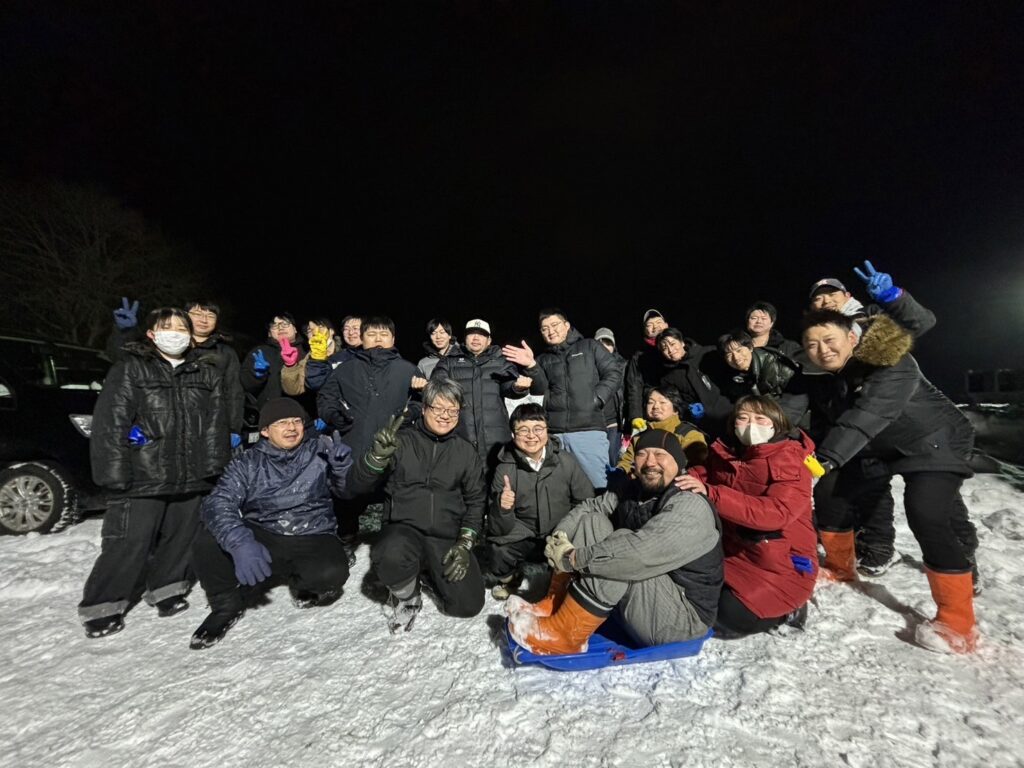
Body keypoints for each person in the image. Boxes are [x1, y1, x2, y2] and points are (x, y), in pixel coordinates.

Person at [801, 309, 979, 653]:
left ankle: (958, 622)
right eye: (812, 344)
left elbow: (866, 415)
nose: (822, 350)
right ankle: (839, 568)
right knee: (830, 491)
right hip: (878, 446)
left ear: (851, 338)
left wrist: (822, 461)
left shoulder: (892, 362)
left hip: (933, 440)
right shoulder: (828, 377)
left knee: (926, 511)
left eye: (829, 340)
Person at [79, 307, 230, 638]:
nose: (174, 333)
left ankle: (167, 587)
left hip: (192, 472)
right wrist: (114, 472)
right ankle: (103, 604)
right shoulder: (131, 368)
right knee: (129, 541)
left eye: (181, 328)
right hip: (143, 470)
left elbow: (216, 425)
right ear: (151, 334)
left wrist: (214, 468)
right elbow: (111, 422)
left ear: (191, 337)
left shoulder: (206, 372)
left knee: (182, 537)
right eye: (167, 327)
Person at [506, 428, 723, 656]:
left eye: (660, 454)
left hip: (681, 621)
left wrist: (572, 558)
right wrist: (560, 536)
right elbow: (591, 507)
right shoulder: (635, 490)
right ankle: (556, 604)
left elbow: (636, 554)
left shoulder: (690, 505)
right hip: (644, 600)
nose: (650, 462)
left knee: (619, 548)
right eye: (642, 454)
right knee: (593, 522)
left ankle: (567, 635)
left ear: (678, 463)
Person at [189, 398, 353, 649]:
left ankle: (303, 583)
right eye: (282, 422)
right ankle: (225, 605)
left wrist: (342, 471)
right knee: (208, 540)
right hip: (264, 533)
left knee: (331, 573)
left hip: (312, 531)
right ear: (265, 431)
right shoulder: (248, 462)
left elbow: (346, 493)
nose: (292, 428)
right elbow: (218, 502)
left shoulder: (320, 449)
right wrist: (240, 542)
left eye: (296, 421)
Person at [349, 378, 487, 631]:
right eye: (438, 408)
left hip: (444, 537)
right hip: (404, 533)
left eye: (452, 410)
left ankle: (427, 573)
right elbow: (356, 486)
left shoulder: (466, 452)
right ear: (423, 409)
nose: (445, 416)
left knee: (468, 605)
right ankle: (407, 594)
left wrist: (465, 543)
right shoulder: (399, 442)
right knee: (391, 554)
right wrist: (375, 459)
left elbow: (476, 502)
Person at [676, 396, 817, 637]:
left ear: (776, 423)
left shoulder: (790, 460)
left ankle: (789, 612)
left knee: (729, 615)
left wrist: (713, 493)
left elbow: (777, 512)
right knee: (693, 595)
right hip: (733, 551)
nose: (751, 426)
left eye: (760, 419)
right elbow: (704, 473)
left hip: (780, 563)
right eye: (743, 418)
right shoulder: (727, 452)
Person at [315, 315, 424, 561]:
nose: (378, 339)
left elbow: (421, 403)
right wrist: (335, 416)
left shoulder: (407, 369)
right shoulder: (346, 369)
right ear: (362, 338)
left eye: (384, 334)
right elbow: (326, 399)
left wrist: (410, 414)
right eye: (371, 334)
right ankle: (346, 538)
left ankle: (395, 545)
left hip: (394, 446)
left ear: (393, 339)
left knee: (396, 496)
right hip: (354, 443)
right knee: (347, 496)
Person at [501, 308, 623, 489]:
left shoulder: (589, 346)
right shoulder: (543, 359)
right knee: (560, 488)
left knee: (597, 485)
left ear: (567, 325)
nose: (551, 331)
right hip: (554, 434)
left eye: (555, 325)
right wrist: (532, 366)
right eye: (545, 329)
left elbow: (613, 372)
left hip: (588, 430)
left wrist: (597, 398)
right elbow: (539, 391)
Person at [487, 403, 594, 600]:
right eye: (523, 430)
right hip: (524, 534)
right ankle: (511, 580)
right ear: (513, 434)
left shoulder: (565, 461)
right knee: (497, 551)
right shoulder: (505, 468)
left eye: (538, 428)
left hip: (560, 532)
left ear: (547, 430)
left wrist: (567, 530)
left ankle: (561, 577)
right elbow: (497, 529)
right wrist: (502, 508)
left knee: (549, 584)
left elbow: (585, 501)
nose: (531, 436)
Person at [107, 298, 245, 446]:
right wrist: (124, 333)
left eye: (210, 316)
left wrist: (233, 428)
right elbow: (121, 359)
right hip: (160, 423)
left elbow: (234, 392)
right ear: (184, 316)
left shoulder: (225, 353)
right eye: (197, 314)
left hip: (206, 426)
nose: (204, 320)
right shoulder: (166, 343)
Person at [432, 318, 530, 468]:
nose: (476, 338)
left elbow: (508, 386)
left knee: (499, 479)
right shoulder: (449, 361)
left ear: (489, 340)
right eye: (471, 334)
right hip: (461, 438)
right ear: (465, 338)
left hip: (496, 441)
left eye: (481, 334)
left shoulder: (501, 361)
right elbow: (437, 383)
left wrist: (517, 387)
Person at [240, 312, 306, 444]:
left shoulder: (308, 351)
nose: (280, 328)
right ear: (269, 333)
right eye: (275, 326)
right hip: (270, 422)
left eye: (285, 324)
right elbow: (246, 385)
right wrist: (257, 375)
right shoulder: (259, 352)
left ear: (295, 329)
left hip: (303, 421)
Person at [654, 327, 732, 438]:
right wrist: (689, 407)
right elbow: (678, 402)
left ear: (682, 342)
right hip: (706, 425)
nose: (670, 350)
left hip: (730, 412)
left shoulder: (707, 353)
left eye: (673, 344)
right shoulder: (668, 378)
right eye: (664, 348)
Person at [617, 385, 708, 473]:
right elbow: (627, 462)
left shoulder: (688, 434)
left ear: (676, 410)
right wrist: (621, 472)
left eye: (662, 402)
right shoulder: (640, 435)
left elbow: (698, 467)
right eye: (651, 402)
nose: (655, 406)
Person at [623, 309, 669, 426]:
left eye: (659, 322)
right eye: (650, 325)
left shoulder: (678, 348)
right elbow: (634, 387)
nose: (655, 326)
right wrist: (635, 416)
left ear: (666, 325)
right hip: (652, 413)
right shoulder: (639, 357)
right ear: (645, 331)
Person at [594, 327, 626, 465]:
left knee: (613, 461)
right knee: (596, 462)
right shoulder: (585, 366)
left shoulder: (623, 365)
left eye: (608, 343)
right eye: (600, 343)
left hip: (614, 423)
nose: (604, 347)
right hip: (593, 424)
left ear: (614, 346)